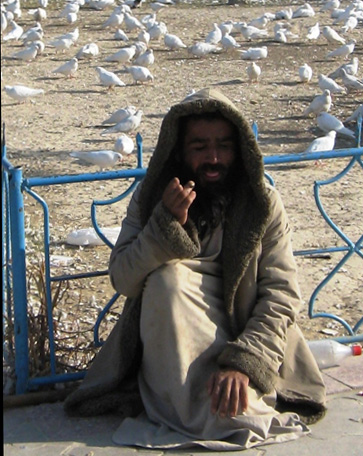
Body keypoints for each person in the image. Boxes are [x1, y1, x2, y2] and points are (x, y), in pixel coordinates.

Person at [64, 88, 326, 450]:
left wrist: (245, 364)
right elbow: (123, 279)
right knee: (169, 280)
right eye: (200, 147)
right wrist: (164, 227)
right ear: (180, 151)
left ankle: (232, 397)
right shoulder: (152, 196)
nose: (214, 158)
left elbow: (281, 294)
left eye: (223, 145)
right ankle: (185, 407)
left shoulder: (262, 203)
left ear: (240, 148)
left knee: (241, 417)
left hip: (244, 330)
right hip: (174, 339)